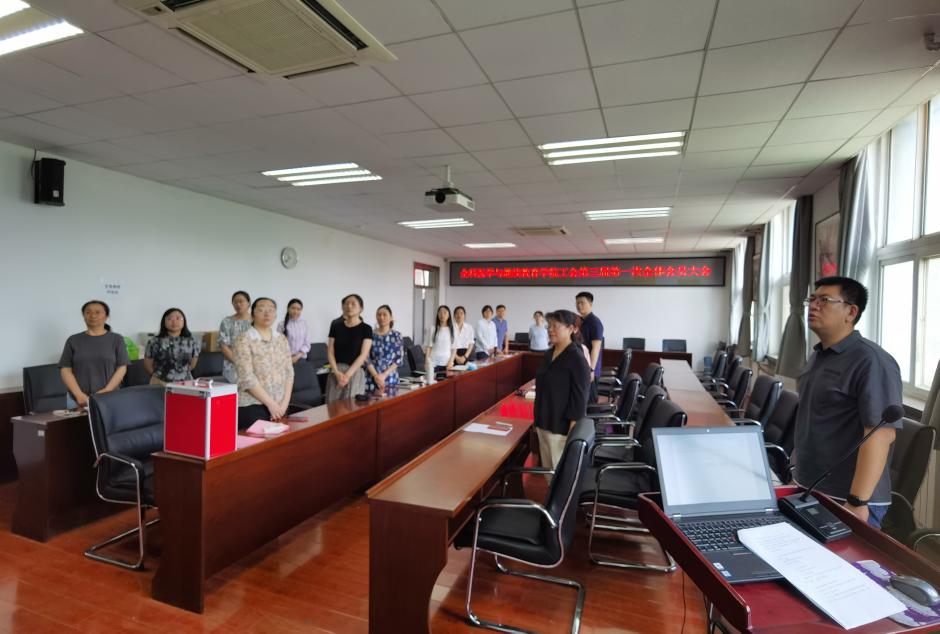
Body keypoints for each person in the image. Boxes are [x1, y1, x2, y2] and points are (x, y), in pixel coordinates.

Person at [793, 276, 903, 530]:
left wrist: (857, 501)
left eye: (824, 300)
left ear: (851, 312)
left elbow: (881, 434)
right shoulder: (819, 355)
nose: (813, 306)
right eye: (812, 299)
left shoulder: (871, 361)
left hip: (848, 498)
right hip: (811, 487)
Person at [533, 310, 591, 469]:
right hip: (543, 423)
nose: (550, 330)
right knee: (548, 473)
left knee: (558, 475)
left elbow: (579, 401)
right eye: (549, 325)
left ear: (571, 329)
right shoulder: (549, 354)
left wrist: (572, 434)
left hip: (560, 430)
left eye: (555, 326)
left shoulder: (577, 358)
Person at [234, 297, 294, 430]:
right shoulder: (244, 339)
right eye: (261, 310)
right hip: (253, 405)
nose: (267, 313)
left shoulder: (281, 339)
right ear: (253, 314)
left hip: (281, 406)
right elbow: (246, 377)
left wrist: (285, 403)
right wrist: (271, 404)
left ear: (275, 315)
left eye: (271, 310)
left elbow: (289, 372)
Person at [59, 300, 129, 407]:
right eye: (88, 312)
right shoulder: (73, 340)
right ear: (83, 316)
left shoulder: (116, 339)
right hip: (77, 399)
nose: (93, 315)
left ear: (106, 316)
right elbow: (65, 369)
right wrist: (78, 394)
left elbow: (122, 368)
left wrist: (107, 390)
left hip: (110, 397)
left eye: (98, 312)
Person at [327, 294, 373, 402]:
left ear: (361, 308)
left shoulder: (366, 328)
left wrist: (347, 376)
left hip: (355, 372)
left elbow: (363, 355)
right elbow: (330, 351)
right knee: (332, 406)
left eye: (353, 304)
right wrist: (337, 373)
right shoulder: (335, 327)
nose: (349, 306)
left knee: (352, 407)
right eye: (346, 303)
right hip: (336, 372)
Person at [144, 307, 200, 385]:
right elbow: (148, 365)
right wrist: (160, 376)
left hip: (185, 382)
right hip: (160, 382)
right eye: (170, 318)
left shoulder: (192, 342)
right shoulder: (154, 341)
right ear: (164, 322)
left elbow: (192, 364)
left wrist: (179, 374)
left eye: (178, 318)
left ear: (184, 321)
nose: (174, 321)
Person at [366, 304, 403, 395]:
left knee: (392, 402)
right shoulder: (370, 335)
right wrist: (376, 376)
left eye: (384, 314)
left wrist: (384, 375)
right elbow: (366, 357)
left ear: (391, 317)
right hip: (372, 377)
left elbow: (398, 359)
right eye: (379, 315)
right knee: (371, 402)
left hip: (390, 377)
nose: (381, 317)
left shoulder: (397, 335)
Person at [576, 291, 604, 402]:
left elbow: (596, 348)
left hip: (590, 369)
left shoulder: (595, 323)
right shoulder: (580, 321)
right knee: (582, 401)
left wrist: (591, 370)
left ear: (590, 304)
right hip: (582, 366)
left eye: (582, 303)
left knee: (590, 402)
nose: (579, 305)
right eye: (577, 303)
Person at [219, 290, 252, 384]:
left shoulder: (257, 321)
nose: (238, 304)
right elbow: (224, 346)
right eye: (235, 302)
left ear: (249, 303)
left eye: (241, 301)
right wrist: (239, 363)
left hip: (255, 364)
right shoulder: (227, 321)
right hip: (233, 366)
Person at [426, 305, 457, 374]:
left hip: (447, 363)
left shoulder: (453, 329)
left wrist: (451, 362)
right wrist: (426, 362)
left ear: (449, 315)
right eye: (440, 312)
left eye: (445, 312)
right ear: (437, 314)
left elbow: (454, 348)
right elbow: (429, 347)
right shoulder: (432, 328)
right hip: (433, 362)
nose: (442, 315)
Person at [277, 298, 310, 364]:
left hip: (301, 358)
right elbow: (278, 344)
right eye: (293, 308)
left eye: (298, 309)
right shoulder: (281, 324)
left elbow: (307, 344)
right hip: (285, 358)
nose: (295, 311)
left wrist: (296, 357)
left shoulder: (304, 324)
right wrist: (288, 358)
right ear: (288, 309)